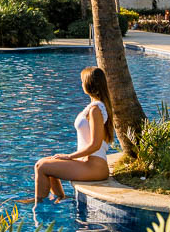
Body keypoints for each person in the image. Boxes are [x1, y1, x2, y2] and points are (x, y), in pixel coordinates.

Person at [33, 66, 115, 205]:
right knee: (43, 163)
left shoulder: (96, 109)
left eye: (82, 81)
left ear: (89, 84)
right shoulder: (94, 107)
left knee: (42, 167)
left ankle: (40, 206)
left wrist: (70, 156)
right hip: (87, 163)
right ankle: (58, 198)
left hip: (94, 167)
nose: (81, 84)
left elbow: (95, 144)